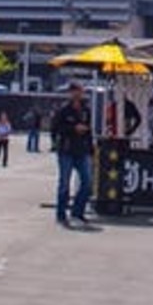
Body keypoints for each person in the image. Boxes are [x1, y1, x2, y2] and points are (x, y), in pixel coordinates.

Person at [49, 81, 95, 227]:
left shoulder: (86, 110)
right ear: (71, 92)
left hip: (82, 150)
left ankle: (78, 211)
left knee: (87, 183)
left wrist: (91, 147)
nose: (79, 94)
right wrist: (73, 128)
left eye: (81, 91)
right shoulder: (63, 110)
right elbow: (55, 128)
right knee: (64, 183)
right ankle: (61, 214)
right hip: (66, 150)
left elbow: (89, 130)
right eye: (76, 91)